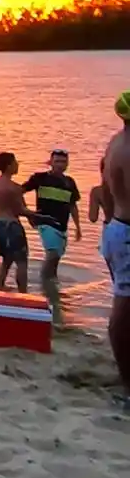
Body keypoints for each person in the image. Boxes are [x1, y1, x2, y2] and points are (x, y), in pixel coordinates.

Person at [21, 149, 82, 323]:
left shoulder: (69, 182)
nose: (60, 165)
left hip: (62, 226)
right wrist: (28, 213)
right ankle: (46, 287)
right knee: (52, 253)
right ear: (50, 162)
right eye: (57, 161)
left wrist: (78, 227)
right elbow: (19, 191)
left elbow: (73, 206)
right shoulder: (40, 178)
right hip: (45, 223)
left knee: (56, 257)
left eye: (63, 162)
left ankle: (52, 286)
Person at [101, 91, 130, 395]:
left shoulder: (115, 143)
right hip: (127, 232)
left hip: (118, 227)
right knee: (125, 304)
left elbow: (106, 187)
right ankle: (127, 384)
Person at [0, 152, 30, 291]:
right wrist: (40, 217)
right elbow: (21, 210)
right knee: (22, 261)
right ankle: (23, 292)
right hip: (12, 225)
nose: (17, 164)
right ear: (9, 166)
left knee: (7, 258)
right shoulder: (14, 188)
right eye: (15, 162)